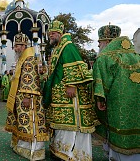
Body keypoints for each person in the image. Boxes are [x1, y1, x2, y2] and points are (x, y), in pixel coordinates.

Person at [43, 20, 98, 160]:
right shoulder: (58, 47)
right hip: (59, 94)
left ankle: (71, 154)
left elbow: (73, 64)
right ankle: (60, 150)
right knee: (62, 125)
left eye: (53, 33)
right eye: (50, 34)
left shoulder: (67, 46)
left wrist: (72, 84)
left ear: (60, 33)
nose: (51, 36)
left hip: (68, 94)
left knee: (71, 126)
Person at [93, 24, 140, 161]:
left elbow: (101, 86)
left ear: (107, 41)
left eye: (100, 42)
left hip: (117, 109)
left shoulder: (105, 58)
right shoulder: (136, 55)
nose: (99, 46)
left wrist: (99, 101)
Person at [5, 33, 48, 160]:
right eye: (15, 45)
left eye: (17, 46)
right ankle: (21, 145)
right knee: (21, 122)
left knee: (29, 122)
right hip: (21, 96)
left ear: (24, 46)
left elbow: (29, 79)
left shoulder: (28, 58)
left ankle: (32, 150)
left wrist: (28, 96)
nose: (15, 48)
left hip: (28, 97)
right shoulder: (22, 58)